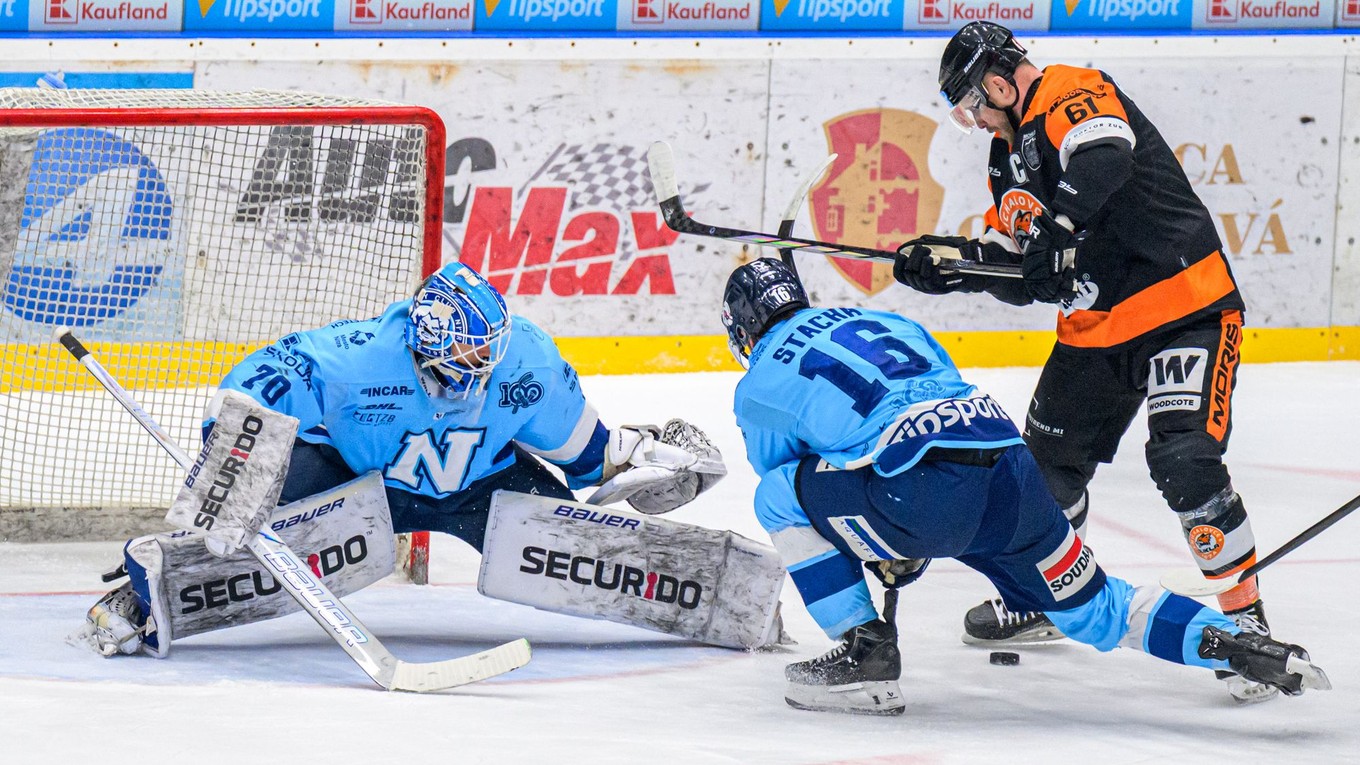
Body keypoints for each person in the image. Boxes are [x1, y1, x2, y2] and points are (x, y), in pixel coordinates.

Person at [722, 257, 1327, 716]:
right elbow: (929, 405)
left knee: (775, 495)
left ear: (745, 327)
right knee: (1095, 608)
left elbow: (799, 483)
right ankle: (1243, 650)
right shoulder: (883, 318)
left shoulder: (757, 386)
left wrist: (893, 543)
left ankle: (863, 651)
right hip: (1010, 470)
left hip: (919, 494)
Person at [893, 21, 1271, 701]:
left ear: (1002, 81)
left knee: (1184, 461)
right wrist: (954, 264)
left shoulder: (1071, 89)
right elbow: (1028, 269)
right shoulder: (1005, 161)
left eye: (975, 101)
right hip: (1095, 333)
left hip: (1185, 307)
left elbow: (1104, 158)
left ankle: (1247, 623)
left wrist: (1059, 230)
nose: (974, 118)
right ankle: (1048, 597)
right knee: (1041, 478)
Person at [79, 261, 720, 657]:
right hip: (361, 482)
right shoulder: (356, 357)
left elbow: (588, 457)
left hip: (483, 487)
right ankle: (140, 595)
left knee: (581, 543)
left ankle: (708, 595)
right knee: (262, 531)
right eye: (469, 354)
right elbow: (261, 377)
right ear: (427, 341)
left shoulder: (527, 359)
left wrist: (644, 464)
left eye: (489, 349)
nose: (484, 365)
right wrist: (234, 454)